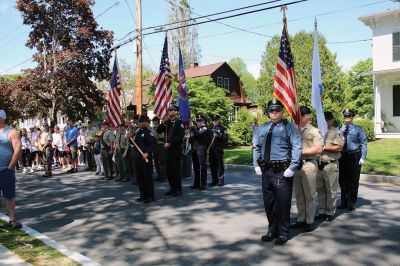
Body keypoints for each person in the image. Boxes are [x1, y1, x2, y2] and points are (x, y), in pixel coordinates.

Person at [253, 99, 302, 245]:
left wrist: (292, 167)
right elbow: (256, 147)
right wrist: (256, 164)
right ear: (268, 112)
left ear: (282, 111)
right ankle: (272, 230)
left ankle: (283, 232)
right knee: (269, 203)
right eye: (271, 110)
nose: (274, 113)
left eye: (277, 110)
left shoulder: (290, 128)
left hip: (282, 171)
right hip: (266, 171)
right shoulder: (261, 128)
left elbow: (297, 148)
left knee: (282, 203)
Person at [292, 106, 324, 232]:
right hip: (296, 165)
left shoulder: (314, 131)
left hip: (308, 164)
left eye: (301, 114)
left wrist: (299, 152)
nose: (298, 117)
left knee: (309, 194)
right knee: (299, 194)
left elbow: (319, 148)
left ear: (308, 116)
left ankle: (309, 220)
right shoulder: (294, 130)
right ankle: (301, 218)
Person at [316, 111, 344, 221]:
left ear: (332, 120)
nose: (325, 121)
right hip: (319, 164)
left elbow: (339, 148)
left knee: (331, 190)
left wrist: (325, 148)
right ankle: (322, 210)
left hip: (330, 164)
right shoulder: (318, 132)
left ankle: (330, 211)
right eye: (324, 119)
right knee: (320, 189)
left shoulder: (335, 132)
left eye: (327, 119)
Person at [338, 108, 368, 211]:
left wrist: (363, 157)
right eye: (345, 116)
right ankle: (344, 201)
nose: (347, 118)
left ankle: (351, 202)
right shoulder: (339, 128)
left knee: (353, 181)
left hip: (354, 157)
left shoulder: (358, 129)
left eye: (349, 116)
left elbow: (364, 143)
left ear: (352, 117)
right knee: (342, 180)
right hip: (342, 157)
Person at [0, 109, 23, 228]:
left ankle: (12, 220)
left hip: (5, 170)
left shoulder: (11, 131)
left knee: (9, 196)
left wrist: (10, 167)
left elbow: (18, 149)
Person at [156, 104, 184, 196]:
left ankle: (178, 189)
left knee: (175, 170)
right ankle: (172, 188)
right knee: (169, 170)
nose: (169, 112)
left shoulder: (179, 123)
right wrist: (163, 122)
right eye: (169, 110)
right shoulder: (167, 123)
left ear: (175, 112)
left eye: (171, 110)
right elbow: (158, 130)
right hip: (167, 150)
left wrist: (170, 143)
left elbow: (179, 137)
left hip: (175, 150)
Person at [132, 115, 156, 203]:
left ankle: (150, 196)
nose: (139, 123)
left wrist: (147, 153)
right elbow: (135, 143)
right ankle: (143, 195)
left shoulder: (148, 132)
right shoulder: (138, 132)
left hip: (146, 158)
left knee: (147, 177)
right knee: (140, 177)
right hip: (138, 157)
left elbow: (153, 144)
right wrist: (129, 138)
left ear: (146, 122)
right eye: (139, 121)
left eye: (141, 122)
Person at [191, 115, 211, 190]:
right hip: (194, 149)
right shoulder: (195, 129)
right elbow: (192, 139)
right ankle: (196, 183)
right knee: (196, 167)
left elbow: (199, 135)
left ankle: (203, 183)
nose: (198, 122)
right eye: (197, 121)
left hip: (201, 149)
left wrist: (193, 129)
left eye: (200, 121)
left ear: (203, 122)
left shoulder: (205, 129)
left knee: (202, 166)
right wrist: (190, 136)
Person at [209, 115, 228, 186]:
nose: (214, 121)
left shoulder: (223, 129)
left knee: (219, 165)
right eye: (213, 120)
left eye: (216, 120)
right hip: (211, 150)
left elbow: (226, 139)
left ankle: (221, 180)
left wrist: (219, 135)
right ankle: (214, 180)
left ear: (219, 120)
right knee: (212, 165)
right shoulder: (210, 129)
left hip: (218, 149)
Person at [151, 117, 167, 182]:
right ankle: (159, 175)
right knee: (156, 161)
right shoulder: (153, 128)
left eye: (154, 120)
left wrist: (155, 137)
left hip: (160, 145)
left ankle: (163, 176)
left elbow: (162, 137)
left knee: (162, 161)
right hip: (155, 145)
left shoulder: (161, 127)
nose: (153, 122)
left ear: (157, 121)